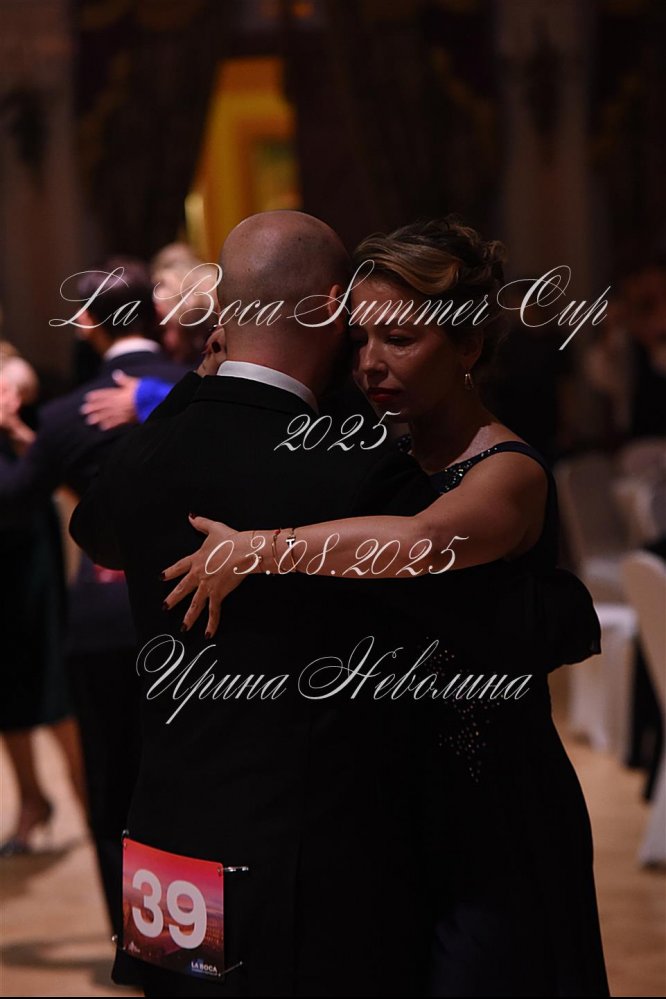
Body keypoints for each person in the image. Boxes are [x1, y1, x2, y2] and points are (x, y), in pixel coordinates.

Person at [157, 217, 610, 997]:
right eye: (359, 336)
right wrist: (207, 383)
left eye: (400, 338)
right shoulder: (364, 453)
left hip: (493, 807)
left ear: (467, 347)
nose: (370, 362)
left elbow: (422, 542)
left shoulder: (508, 469)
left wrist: (259, 548)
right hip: (381, 808)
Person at [70, 211, 436, 997]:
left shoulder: (150, 449)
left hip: (170, 848)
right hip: (310, 861)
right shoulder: (360, 462)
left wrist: (189, 390)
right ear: (333, 307)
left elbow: (94, 532)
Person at [0, 260, 191, 935]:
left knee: (118, 791)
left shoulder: (64, 418)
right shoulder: (201, 389)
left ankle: (149, 945)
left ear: (86, 323)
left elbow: (12, 502)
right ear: (157, 315)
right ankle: (214, 950)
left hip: (109, 618)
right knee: (199, 781)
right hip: (205, 608)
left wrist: (18, 434)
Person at [0, 342, 87, 855]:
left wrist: (10, 402)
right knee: (6, 691)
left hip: (25, 552)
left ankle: (90, 802)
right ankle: (32, 800)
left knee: (54, 686)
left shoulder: (12, 370)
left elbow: (23, 377)